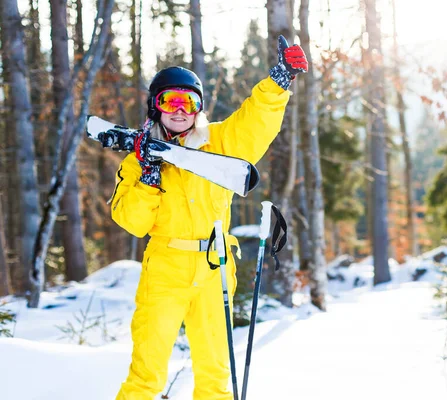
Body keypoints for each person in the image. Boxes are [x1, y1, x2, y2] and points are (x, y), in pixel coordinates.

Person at [102, 36, 308, 400]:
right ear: (156, 106)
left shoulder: (219, 144)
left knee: (214, 376)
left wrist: (279, 82)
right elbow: (132, 222)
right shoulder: (137, 160)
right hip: (165, 267)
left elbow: (255, 121)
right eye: (170, 101)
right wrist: (149, 178)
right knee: (147, 374)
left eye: (189, 102)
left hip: (215, 266)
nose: (180, 110)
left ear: (199, 107)